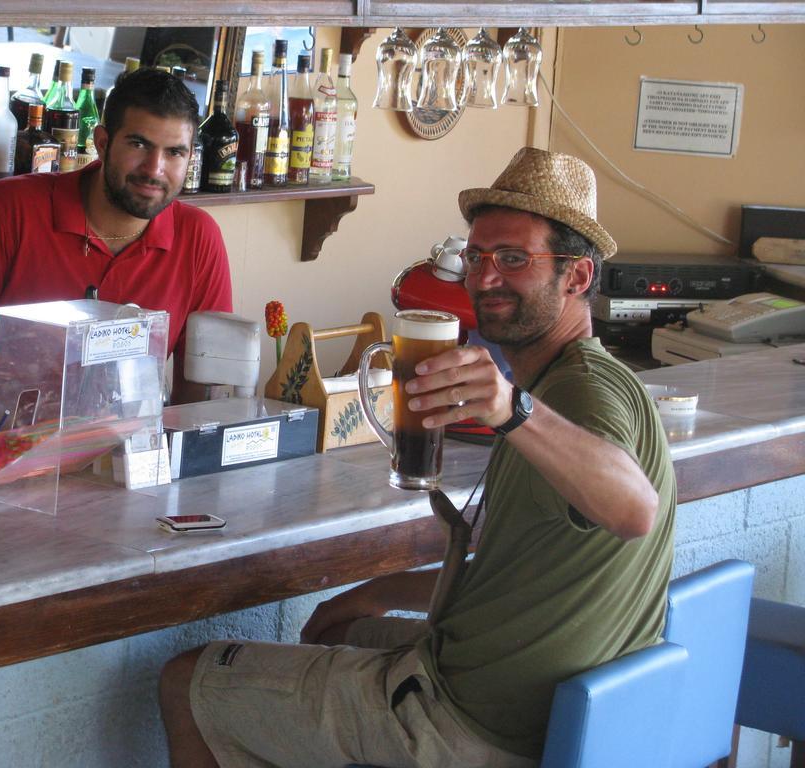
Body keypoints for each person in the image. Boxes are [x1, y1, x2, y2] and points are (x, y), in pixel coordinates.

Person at [158, 147, 675, 767]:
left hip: (475, 725)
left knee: (189, 681)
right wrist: (380, 591)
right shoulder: (589, 379)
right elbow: (518, 575)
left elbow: (634, 508)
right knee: (334, 628)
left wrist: (510, 408)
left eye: (514, 259)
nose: (485, 278)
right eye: (477, 256)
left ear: (578, 278)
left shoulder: (575, 393)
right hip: (527, 694)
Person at [0, 68, 232, 436]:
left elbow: (203, 379)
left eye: (174, 152)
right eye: (138, 144)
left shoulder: (199, 237)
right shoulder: (8, 209)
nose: (154, 170)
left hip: (124, 473)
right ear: (102, 141)